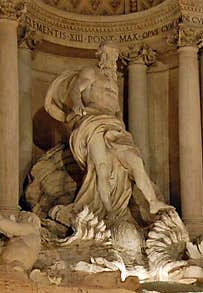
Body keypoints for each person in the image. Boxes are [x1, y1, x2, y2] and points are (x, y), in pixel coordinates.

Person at [44, 42, 172, 225]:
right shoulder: (91, 72)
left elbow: (116, 109)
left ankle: (153, 202)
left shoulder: (112, 81)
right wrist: (78, 103)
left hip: (113, 126)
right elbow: (75, 89)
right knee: (101, 168)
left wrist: (121, 125)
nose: (111, 59)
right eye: (107, 54)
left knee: (134, 160)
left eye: (113, 55)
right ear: (100, 55)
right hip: (92, 122)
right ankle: (109, 211)